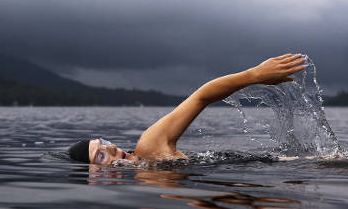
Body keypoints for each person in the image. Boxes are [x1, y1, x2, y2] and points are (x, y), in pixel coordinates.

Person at [68, 54, 308, 165]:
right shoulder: (147, 186)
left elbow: (201, 97)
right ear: (95, 177)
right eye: (101, 155)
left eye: (104, 142)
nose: (110, 147)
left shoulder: (150, 147)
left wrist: (254, 75)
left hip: (289, 165)